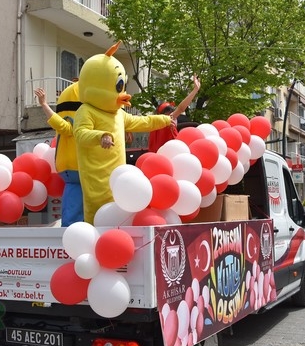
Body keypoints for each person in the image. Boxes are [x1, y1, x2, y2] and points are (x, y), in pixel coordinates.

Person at [73, 41, 174, 224]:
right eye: (118, 86)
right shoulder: (86, 111)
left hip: (118, 179)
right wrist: (100, 136)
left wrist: (165, 120)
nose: (123, 93)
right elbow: (80, 134)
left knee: (119, 214)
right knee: (97, 214)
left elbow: (142, 121)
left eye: (122, 86)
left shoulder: (118, 114)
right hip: (96, 177)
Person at [34, 83, 84, 226]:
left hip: (79, 168)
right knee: (74, 209)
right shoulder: (74, 124)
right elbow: (61, 125)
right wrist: (44, 105)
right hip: (78, 167)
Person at [147, 75, 201, 153]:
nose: (174, 116)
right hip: (170, 155)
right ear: (165, 114)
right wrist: (195, 90)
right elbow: (181, 108)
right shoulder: (166, 121)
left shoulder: (153, 125)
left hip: (156, 156)